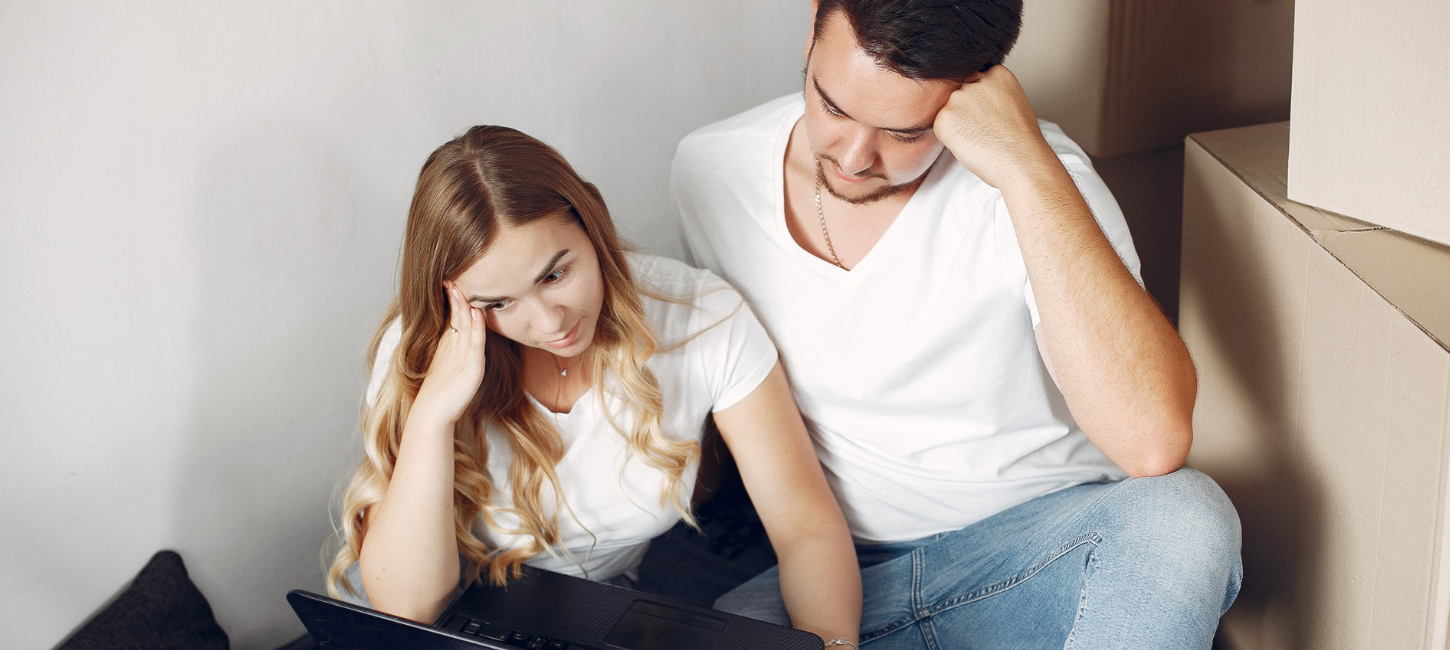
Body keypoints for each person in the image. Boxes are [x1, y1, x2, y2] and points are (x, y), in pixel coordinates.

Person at [671, 1, 1242, 648]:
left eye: (905, 133)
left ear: (980, 85)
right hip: (849, 573)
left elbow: (1151, 442)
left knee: (1187, 518)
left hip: (1042, 554)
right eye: (832, 107)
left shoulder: (1042, 179)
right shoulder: (710, 173)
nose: (855, 157)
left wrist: (1024, 165)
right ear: (810, 28)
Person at [325, 125, 861, 647]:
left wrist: (836, 647)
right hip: (434, 596)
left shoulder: (703, 317)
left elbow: (804, 524)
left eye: (555, 275)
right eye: (498, 304)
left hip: (584, 609)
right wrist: (433, 415)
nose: (549, 322)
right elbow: (408, 606)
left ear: (593, 220)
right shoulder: (422, 349)